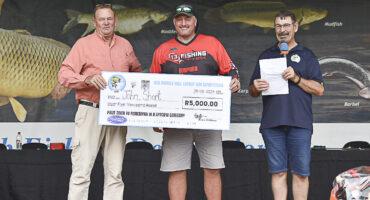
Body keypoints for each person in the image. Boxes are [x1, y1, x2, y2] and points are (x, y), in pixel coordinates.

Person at [150, 4, 240, 200]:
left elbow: (231, 71)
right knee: (177, 170)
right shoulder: (162, 50)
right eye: (179, 19)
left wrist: (235, 82)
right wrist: (155, 117)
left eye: (187, 19)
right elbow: (152, 85)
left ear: (195, 22)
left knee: (213, 168)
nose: (183, 23)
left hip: (208, 120)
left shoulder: (212, 43)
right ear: (174, 22)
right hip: (175, 122)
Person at [54, 4, 141, 200]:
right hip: (91, 110)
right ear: (94, 22)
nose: (106, 23)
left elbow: (136, 73)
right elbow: (64, 74)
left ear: (116, 21)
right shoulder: (82, 44)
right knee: (81, 171)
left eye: (109, 18)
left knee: (115, 172)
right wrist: (87, 79)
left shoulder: (126, 45)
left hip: (118, 114)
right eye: (101, 19)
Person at [248, 10, 324, 200]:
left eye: (286, 26)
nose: (282, 30)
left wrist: (297, 78)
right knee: (278, 172)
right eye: (278, 26)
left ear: (295, 27)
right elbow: (252, 91)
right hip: (272, 124)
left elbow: (319, 89)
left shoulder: (307, 55)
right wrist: (255, 87)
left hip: (300, 123)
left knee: (300, 173)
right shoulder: (266, 55)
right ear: (275, 29)